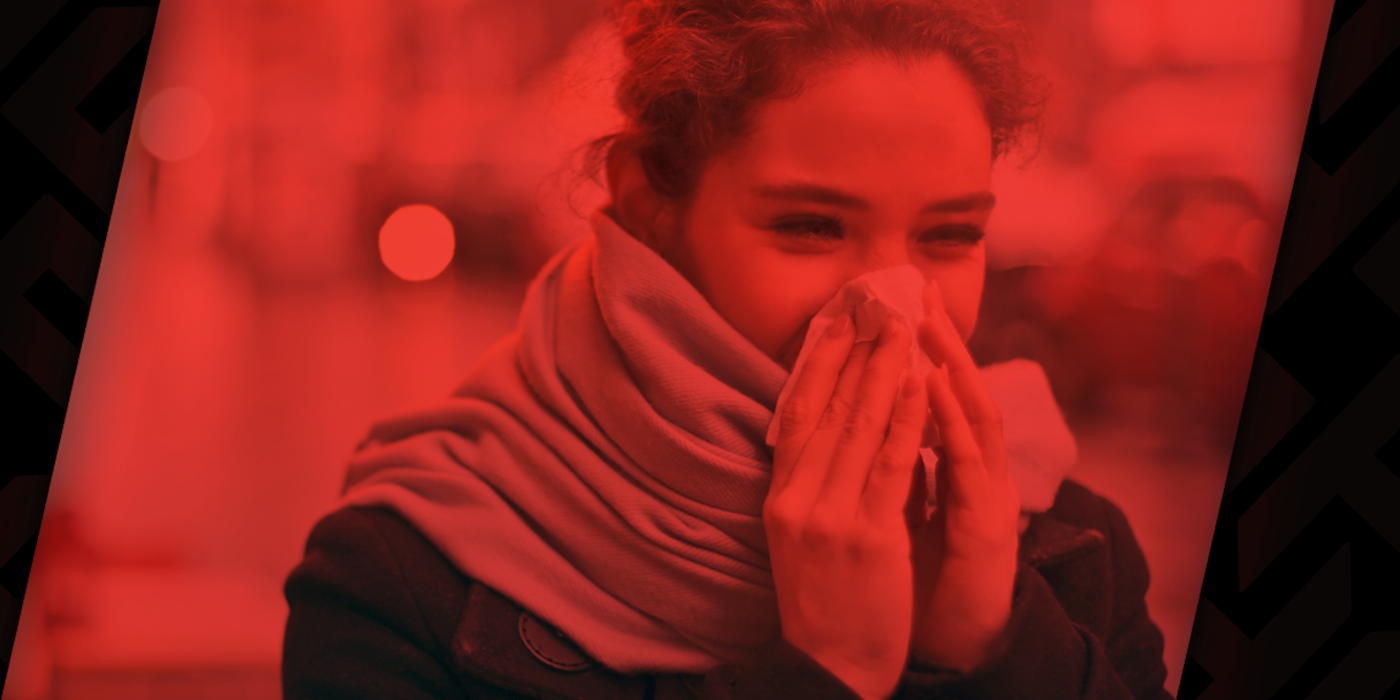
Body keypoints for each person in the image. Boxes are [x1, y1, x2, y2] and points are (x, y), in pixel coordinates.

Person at [282, 1, 1173, 698]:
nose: (894, 306)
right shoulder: (398, 583)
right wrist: (822, 669)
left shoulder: (1074, 546)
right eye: (810, 227)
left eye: (948, 237)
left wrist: (993, 652)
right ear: (647, 207)